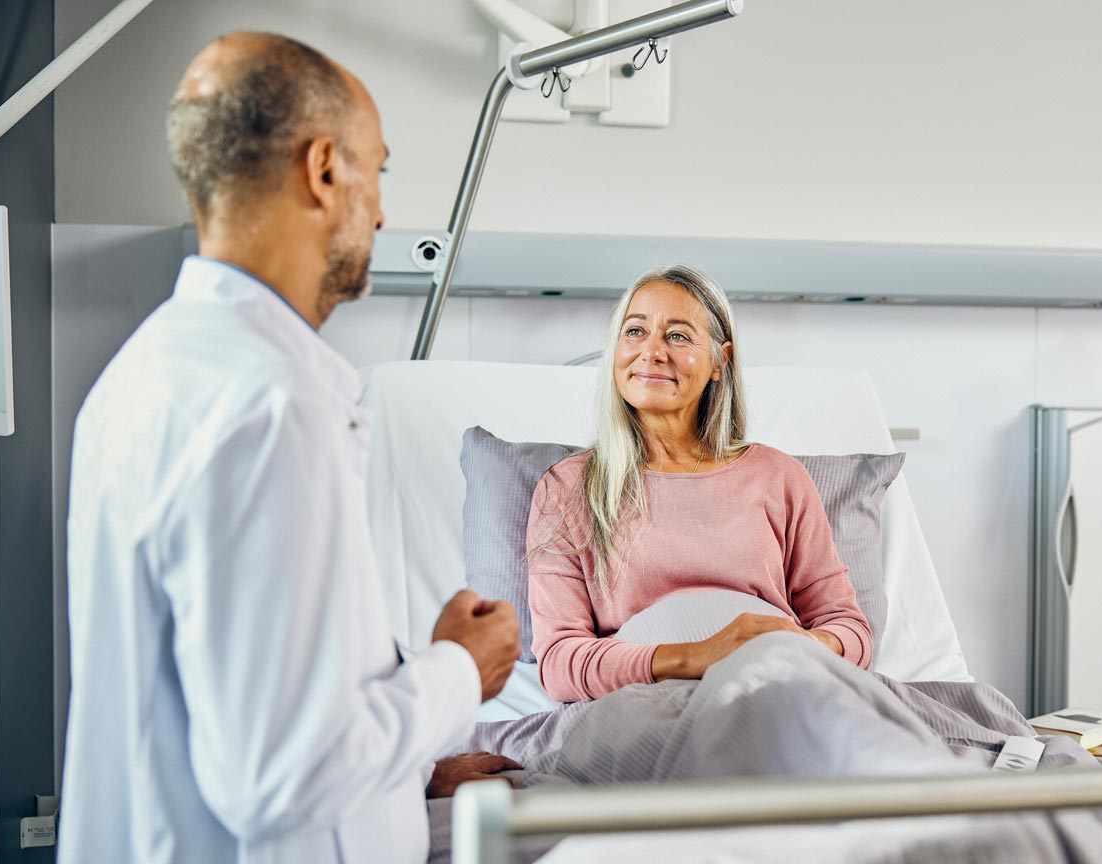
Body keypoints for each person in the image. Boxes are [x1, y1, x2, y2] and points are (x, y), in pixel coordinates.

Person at [58, 33, 520, 864]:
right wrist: (458, 673)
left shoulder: (142, 375)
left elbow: (232, 699)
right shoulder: (272, 406)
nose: (380, 211)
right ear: (322, 169)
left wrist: (414, 764)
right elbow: (282, 776)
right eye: (376, 172)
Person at [527, 265, 872, 702]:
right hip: (642, 708)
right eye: (634, 331)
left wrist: (802, 646)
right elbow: (560, 666)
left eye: (677, 336)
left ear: (719, 361)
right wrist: (696, 657)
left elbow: (850, 630)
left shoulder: (779, 477)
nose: (651, 352)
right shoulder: (568, 488)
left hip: (777, 691)